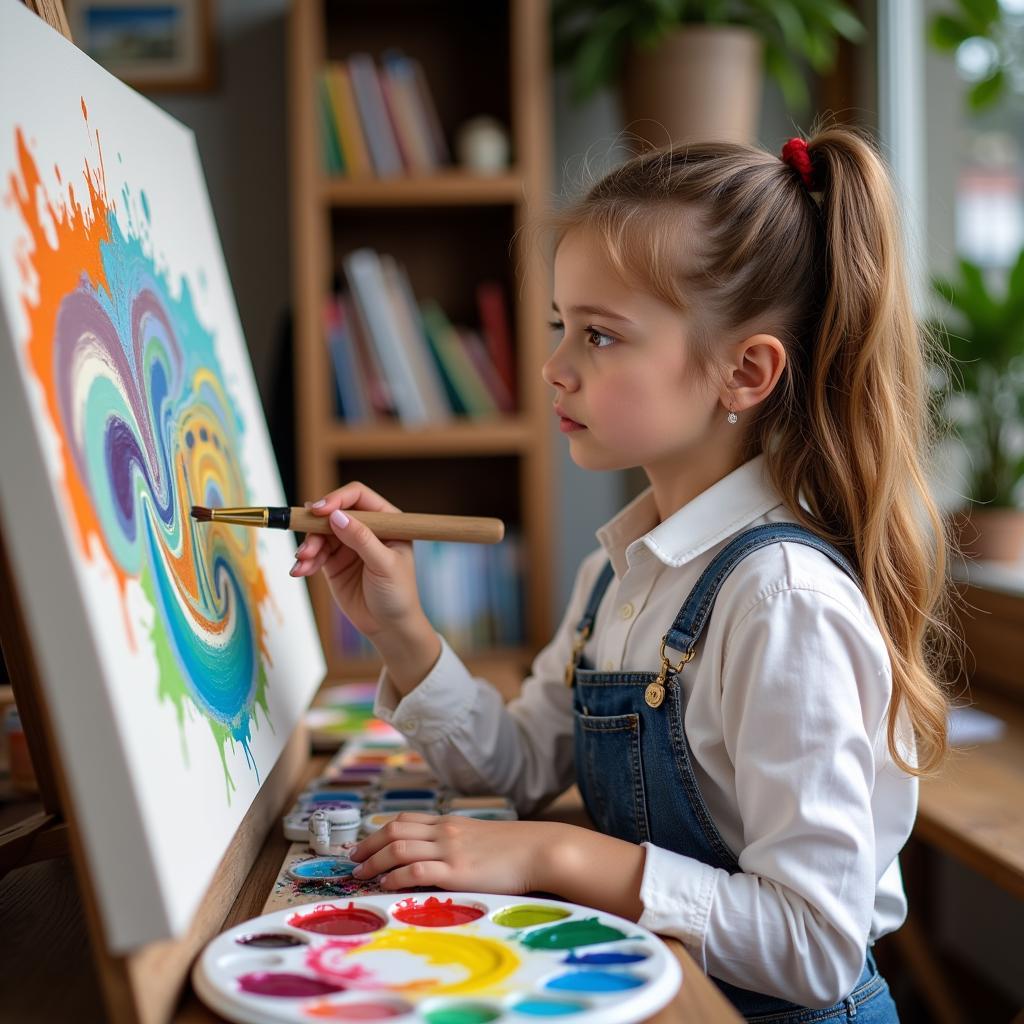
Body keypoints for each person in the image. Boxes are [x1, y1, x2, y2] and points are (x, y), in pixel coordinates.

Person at [289, 122, 956, 1022]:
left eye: (599, 337)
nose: (553, 368)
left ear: (744, 373)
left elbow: (819, 944)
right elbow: (523, 765)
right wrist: (400, 626)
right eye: (562, 326)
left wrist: (559, 859)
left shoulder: (782, 602)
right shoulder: (623, 573)